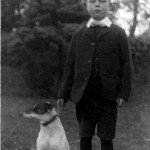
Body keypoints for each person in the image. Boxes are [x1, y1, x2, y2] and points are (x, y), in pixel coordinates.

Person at [57, 0, 133, 150]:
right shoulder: (79, 35)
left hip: (108, 96)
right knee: (85, 135)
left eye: (102, 1)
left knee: (106, 137)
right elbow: (69, 67)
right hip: (84, 96)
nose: (97, 5)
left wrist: (123, 93)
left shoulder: (118, 33)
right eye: (92, 2)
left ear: (109, 6)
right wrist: (62, 93)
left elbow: (127, 66)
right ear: (87, 6)